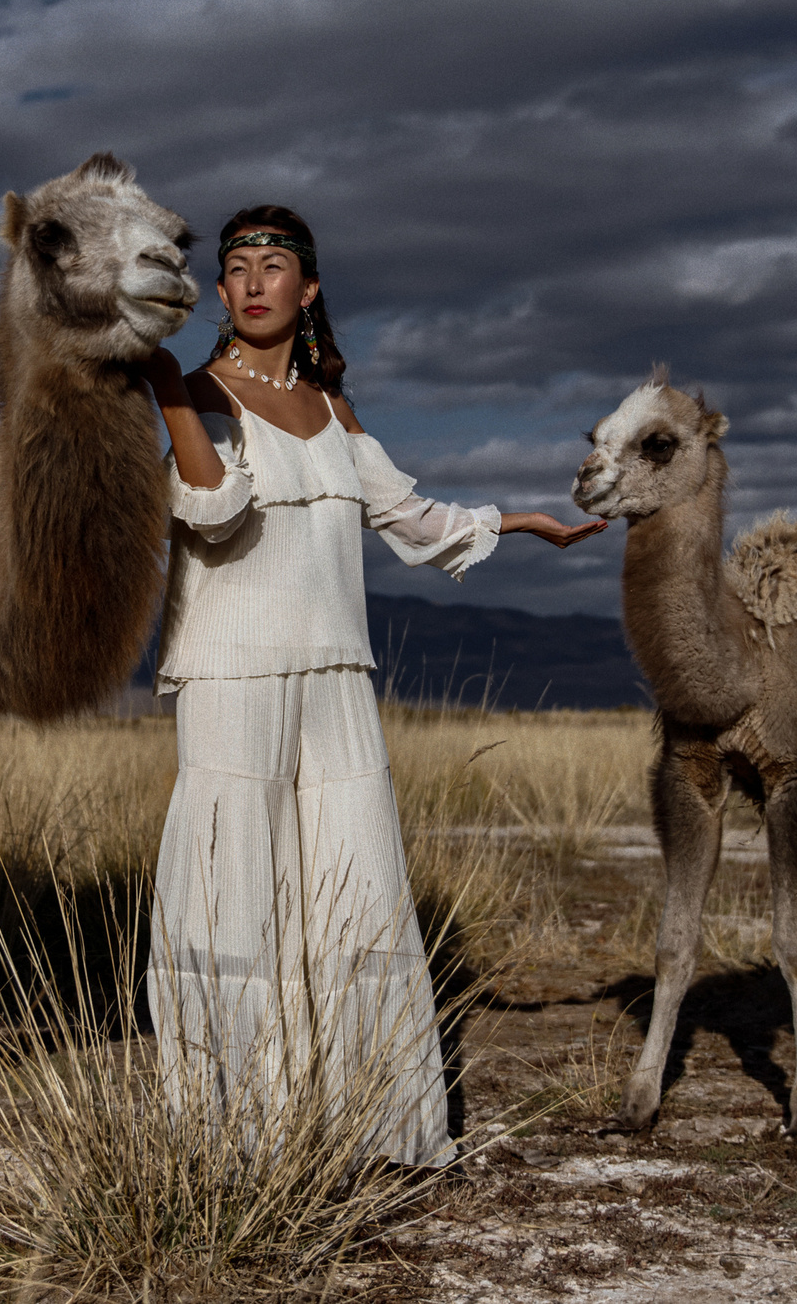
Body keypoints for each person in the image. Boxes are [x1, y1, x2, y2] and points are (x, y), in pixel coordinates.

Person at [137, 205, 606, 1168]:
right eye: (238, 267)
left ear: (308, 290)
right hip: (234, 669)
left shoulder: (336, 411)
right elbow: (216, 513)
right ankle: (234, 1139)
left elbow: (414, 519)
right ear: (220, 293)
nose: (256, 279)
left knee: (352, 890)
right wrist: (163, 392)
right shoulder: (196, 391)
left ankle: (361, 1125)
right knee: (234, 893)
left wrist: (519, 521)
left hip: (337, 674)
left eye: (275, 265)